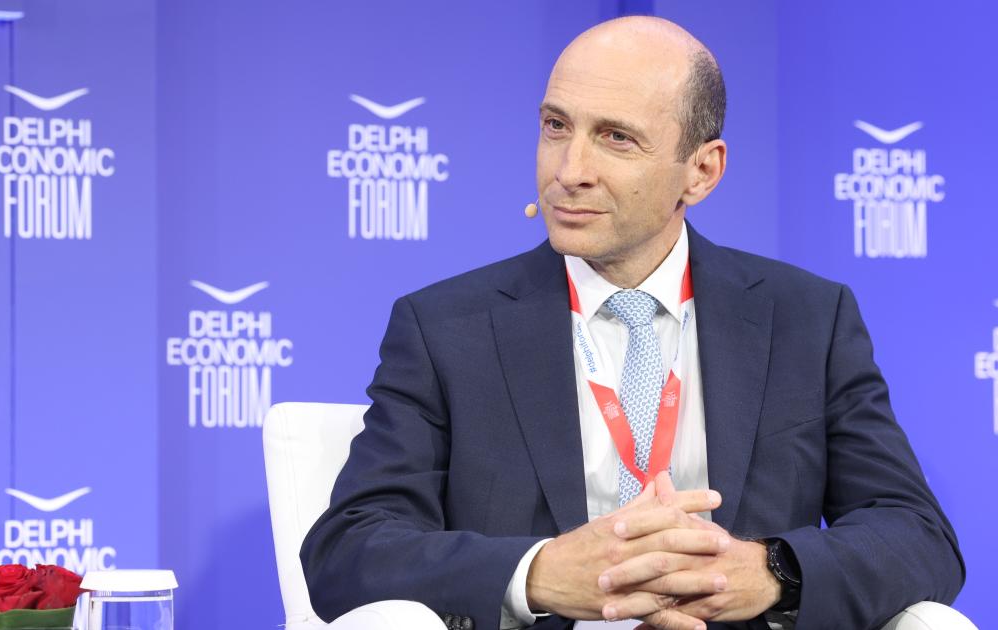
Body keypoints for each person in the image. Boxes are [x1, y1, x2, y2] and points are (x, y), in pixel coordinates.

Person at [301, 15, 963, 630]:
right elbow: (348, 549)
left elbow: (918, 535)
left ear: (701, 171)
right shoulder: (447, 328)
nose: (569, 171)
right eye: (556, 126)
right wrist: (537, 574)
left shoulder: (805, 320)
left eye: (616, 138)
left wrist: (771, 572)